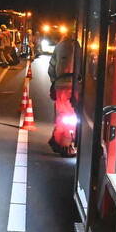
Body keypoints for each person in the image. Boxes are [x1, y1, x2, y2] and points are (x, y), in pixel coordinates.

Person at [48, 27, 79, 156]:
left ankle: (58, 140)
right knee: (72, 116)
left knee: (63, 115)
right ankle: (66, 145)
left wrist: (55, 82)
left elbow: (51, 67)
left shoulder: (59, 46)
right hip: (76, 86)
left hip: (61, 86)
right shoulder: (78, 46)